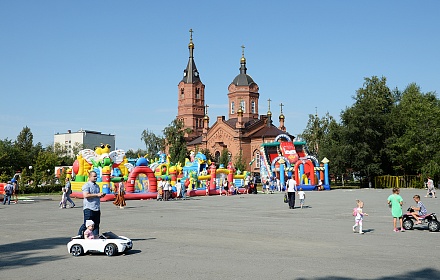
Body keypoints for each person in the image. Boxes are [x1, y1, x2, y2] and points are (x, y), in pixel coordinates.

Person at [78, 171, 105, 237]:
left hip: (96, 208)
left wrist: (101, 195)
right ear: (89, 177)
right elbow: (86, 195)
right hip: (89, 208)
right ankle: (79, 236)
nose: (96, 177)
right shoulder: (87, 185)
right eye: (94, 176)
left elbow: (97, 195)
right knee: (87, 224)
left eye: (96, 176)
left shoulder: (97, 186)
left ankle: (95, 237)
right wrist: (97, 195)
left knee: (96, 224)